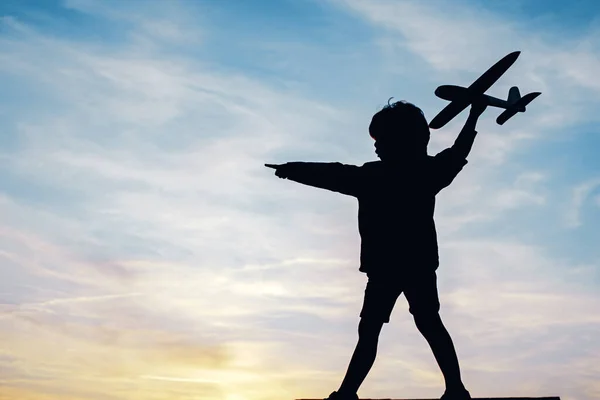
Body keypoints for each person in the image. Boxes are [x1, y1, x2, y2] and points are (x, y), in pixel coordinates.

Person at [265, 98, 487, 400]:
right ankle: (454, 388)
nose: (376, 147)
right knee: (422, 324)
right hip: (409, 264)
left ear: (400, 141)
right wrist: (473, 116)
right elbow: (458, 152)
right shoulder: (426, 172)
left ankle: (350, 393)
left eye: (381, 140)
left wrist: (293, 169)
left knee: (380, 330)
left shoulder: (375, 176)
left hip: (391, 266)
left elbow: (333, 174)